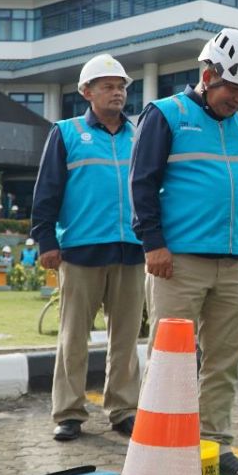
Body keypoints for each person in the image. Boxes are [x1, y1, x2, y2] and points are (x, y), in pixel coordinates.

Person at [130, 28, 238, 475]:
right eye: (233, 89)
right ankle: (160, 444)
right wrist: (153, 243)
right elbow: (142, 184)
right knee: (171, 360)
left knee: (224, 359)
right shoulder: (166, 115)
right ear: (208, 74)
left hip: (233, 261)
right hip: (178, 261)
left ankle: (213, 442)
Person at [30, 54, 146, 442]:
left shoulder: (141, 134)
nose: (117, 92)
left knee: (126, 338)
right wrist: (46, 239)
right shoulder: (65, 133)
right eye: (108, 86)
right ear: (86, 92)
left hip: (132, 248)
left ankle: (124, 408)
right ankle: (69, 412)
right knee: (73, 336)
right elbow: (47, 190)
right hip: (80, 248)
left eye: (121, 86)